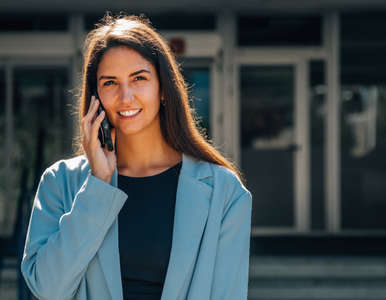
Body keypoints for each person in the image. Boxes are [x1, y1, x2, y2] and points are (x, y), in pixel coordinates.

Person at [21, 13, 252, 300]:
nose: (125, 96)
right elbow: (48, 290)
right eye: (109, 83)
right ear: (96, 98)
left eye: (139, 78)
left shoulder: (224, 191)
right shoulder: (61, 182)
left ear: (164, 89)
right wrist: (98, 185)